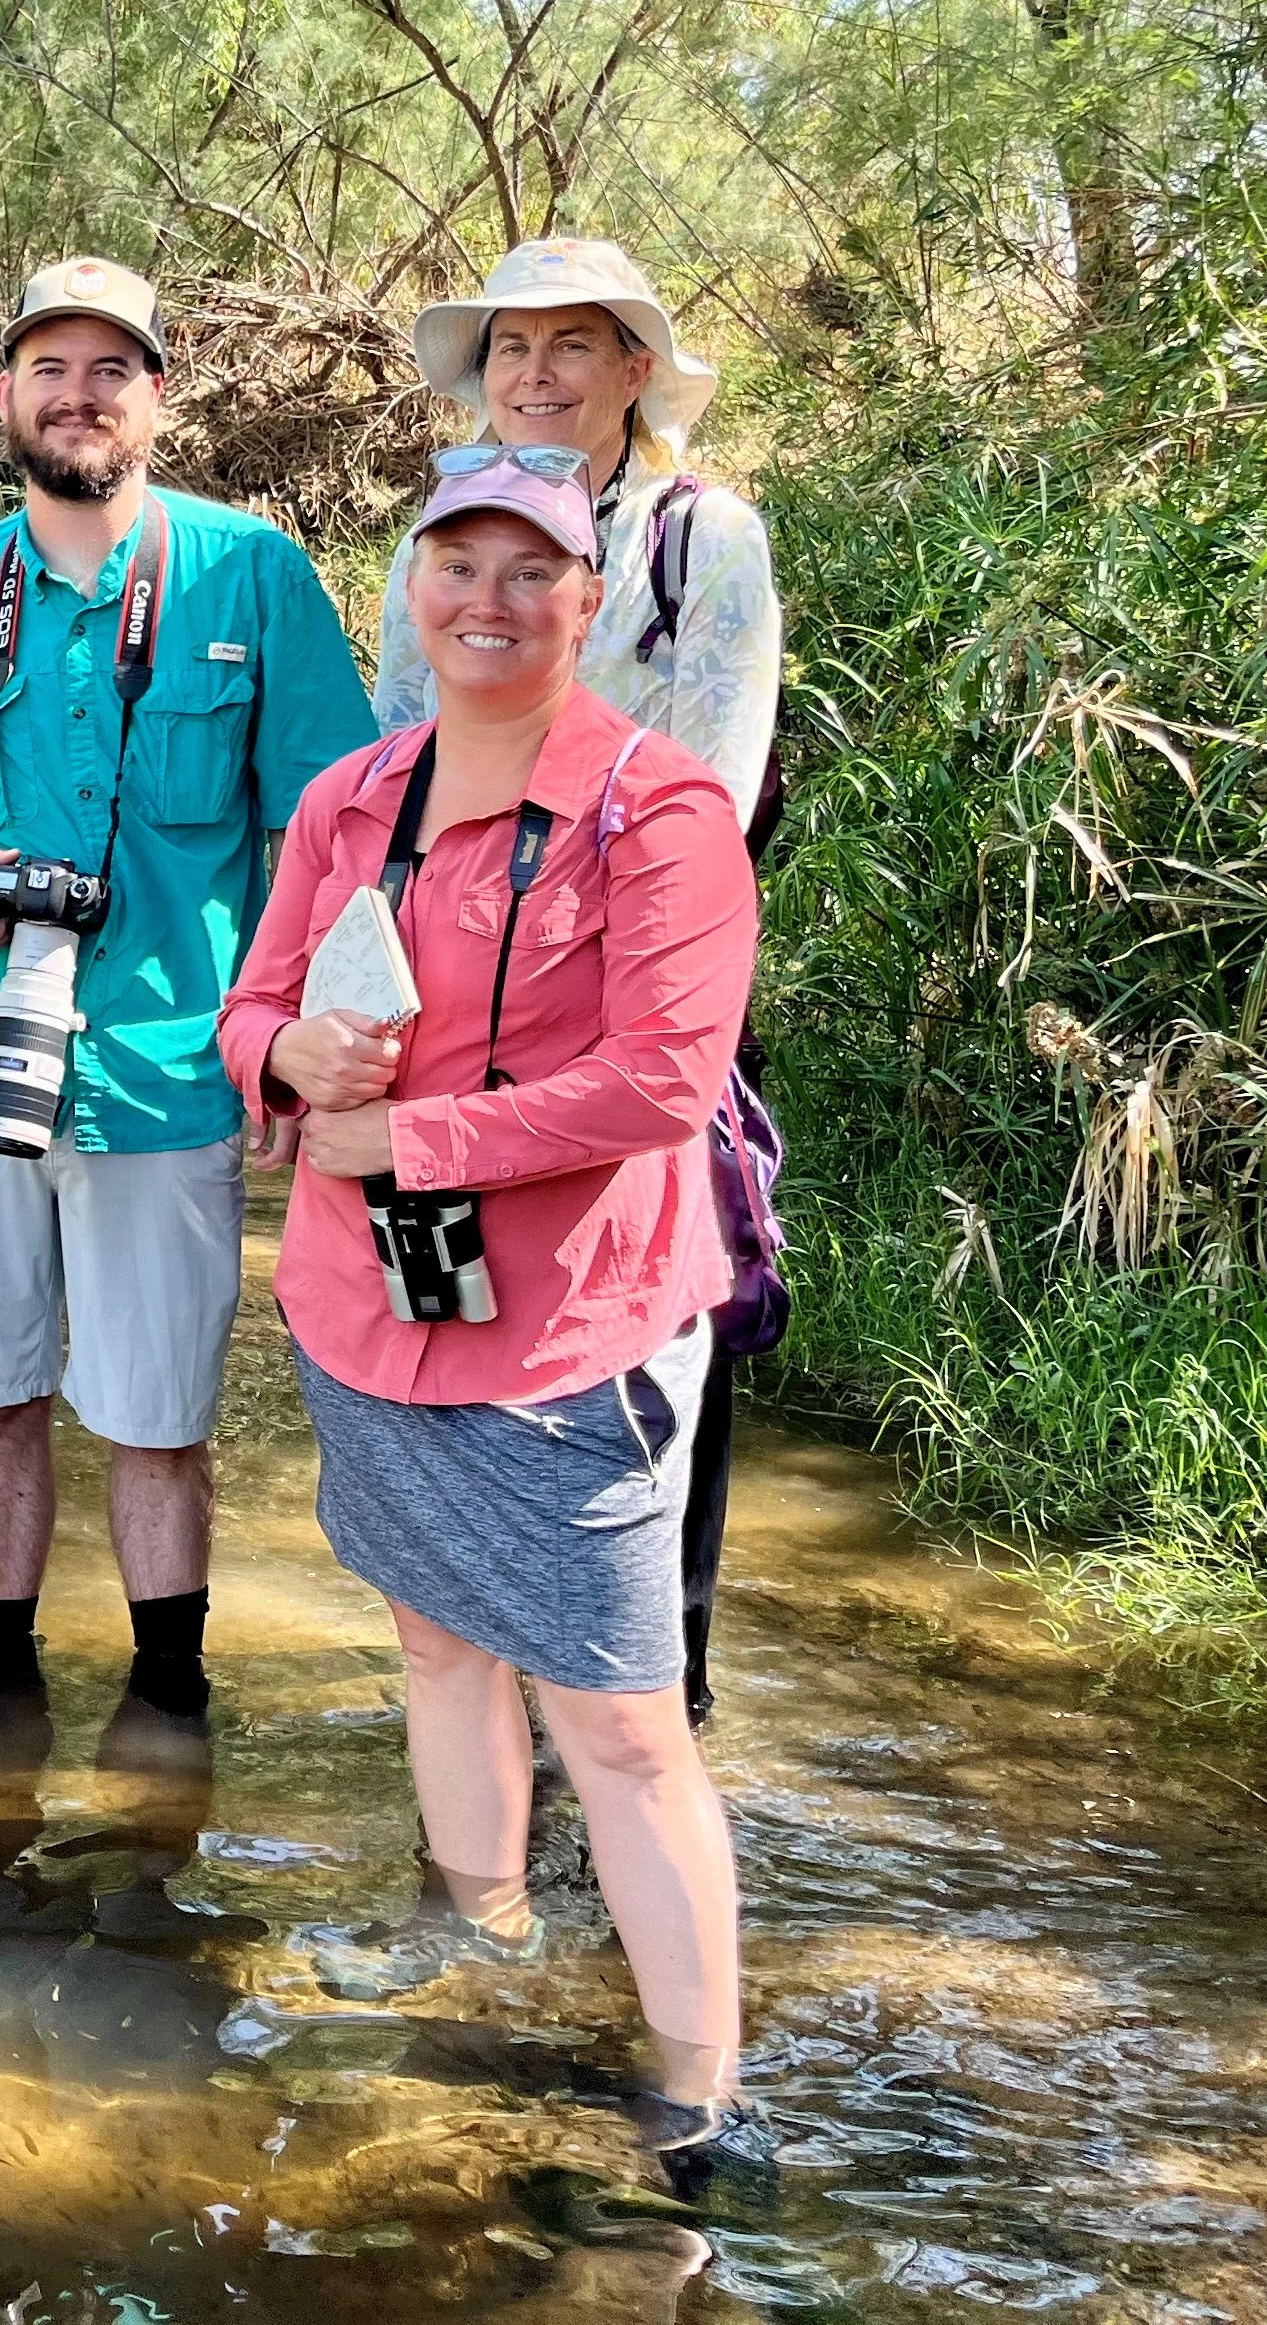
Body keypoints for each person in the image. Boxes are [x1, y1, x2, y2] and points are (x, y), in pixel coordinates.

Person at [221, 445, 761, 2159]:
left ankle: (693, 2092)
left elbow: (664, 1079)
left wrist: (405, 1135)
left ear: (587, 602)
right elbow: (248, 1013)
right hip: (365, 1309)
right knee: (438, 1636)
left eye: (531, 571)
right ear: (409, 589)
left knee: (618, 1710)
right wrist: (287, 1057)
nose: (488, 599)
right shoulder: (345, 799)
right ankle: (479, 1929)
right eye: (455, 563)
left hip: (571, 1326)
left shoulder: (655, 808)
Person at [0, 257, 376, 1730]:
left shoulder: (251, 572)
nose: (76, 398)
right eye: (48, 369)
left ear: (159, 392)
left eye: (109, 371)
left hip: (168, 1061)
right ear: (5, 392)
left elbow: (328, 832)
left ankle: (167, 1699)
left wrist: (284, 1043)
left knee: (158, 1419)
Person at [376, 235, 785, 1723]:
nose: (535, 377)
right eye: (509, 350)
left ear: (632, 372)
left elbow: (718, 789)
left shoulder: (703, 538)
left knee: (646, 1328)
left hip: (631, 1004)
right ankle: (487, 1713)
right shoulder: (436, 534)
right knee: (457, 1335)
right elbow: (389, 774)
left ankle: (648, 1712)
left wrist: (571, 952)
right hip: (451, 1014)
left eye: (570, 347)